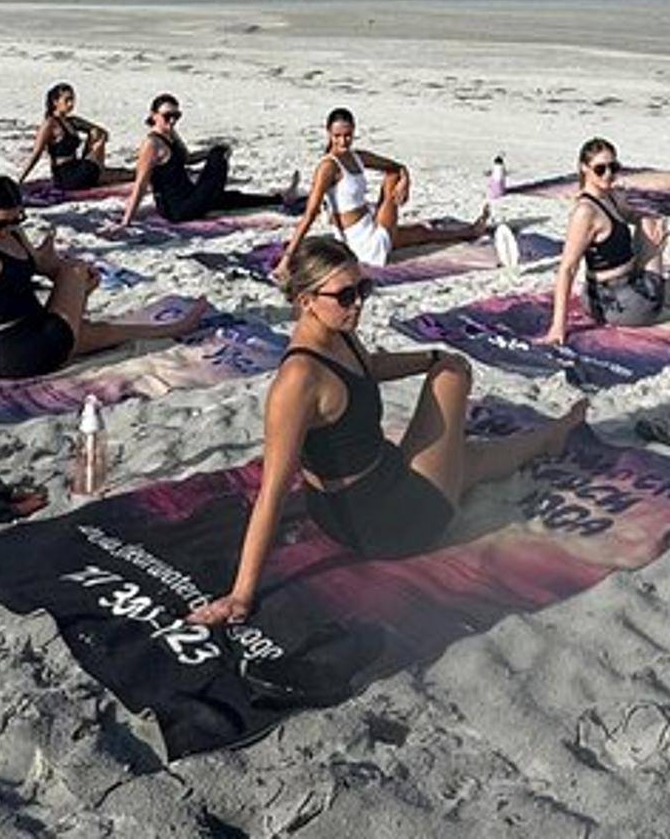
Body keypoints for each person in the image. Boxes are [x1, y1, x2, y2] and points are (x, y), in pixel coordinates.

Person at [186, 238, 587, 625]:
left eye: (363, 287)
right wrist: (241, 593)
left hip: (376, 486)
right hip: (385, 523)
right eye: (345, 295)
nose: (357, 302)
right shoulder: (299, 379)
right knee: (454, 373)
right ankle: (542, 437)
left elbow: (367, 368)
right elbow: (271, 492)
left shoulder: (339, 332)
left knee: (471, 461)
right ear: (306, 302)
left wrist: (427, 356)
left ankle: (546, 439)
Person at [0, 175, 208, 390]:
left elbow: (40, 269)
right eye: (0, 222)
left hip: (39, 327)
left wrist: (47, 258)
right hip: (15, 351)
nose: (8, 228)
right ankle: (169, 326)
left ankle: (177, 328)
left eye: (16, 219)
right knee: (74, 272)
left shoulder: (14, 234)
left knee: (106, 331)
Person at [541, 138, 670, 344]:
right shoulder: (585, 212)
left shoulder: (610, 197)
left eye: (613, 167)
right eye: (600, 169)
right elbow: (567, 269)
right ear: (584, 169)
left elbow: (633, 215)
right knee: (668, 288)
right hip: (625, 306)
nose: (608, 174)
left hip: (600, 298)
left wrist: (650, 220)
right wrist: (557, 326)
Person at [273, 107, 488, 278]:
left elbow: (397, 166)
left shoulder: (358, 156)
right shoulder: (328, 167)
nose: (343, 141)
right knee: (394, 180)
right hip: (360, 243)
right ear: (328, 133)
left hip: (371, 225)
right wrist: (286, 260)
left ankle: (470, 232)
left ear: (354, 132)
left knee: (419, 234)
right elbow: (310, 214)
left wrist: (407, 180)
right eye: (337, 136)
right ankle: (469, 231)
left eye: (348, 135)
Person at [119, 93, 291, 227]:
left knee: (230, 198)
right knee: (217, 160)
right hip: (177, 209)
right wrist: (126, 221)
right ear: (154, 115)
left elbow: (187, 159)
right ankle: (215, 194)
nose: (172, 120)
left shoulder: (170, 134)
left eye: (176, 115)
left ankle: (277, 199)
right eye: (167, 115)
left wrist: (211, 151)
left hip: (189, 196)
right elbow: (141, 184)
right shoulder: (152, 144)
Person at [16, 82, 130, 192]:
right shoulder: (50, 124)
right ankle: (99, 172)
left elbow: (102, 132)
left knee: (97, 135)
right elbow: (36, 154)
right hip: (66, 176)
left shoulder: (72, 121)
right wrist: (20, 179)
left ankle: (98, 171)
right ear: (55, 102)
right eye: (67, 100)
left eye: (72, 100)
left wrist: (92, 143)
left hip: (78, 166)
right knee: (121, 175)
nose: (71, 104)